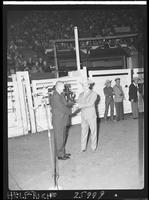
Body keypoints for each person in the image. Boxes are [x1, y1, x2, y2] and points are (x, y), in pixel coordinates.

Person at [50, 81, 72, 160]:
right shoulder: (55, 96)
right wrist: (71, 111)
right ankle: (60, 155)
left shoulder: (61, 94)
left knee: (63, 137)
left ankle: (62, 152)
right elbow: (62, 107)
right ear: (58, 87)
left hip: (62, 119)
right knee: (59, 137)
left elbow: (65, 105)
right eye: (63, 86)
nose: (64, 88)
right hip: (58, 120)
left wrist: (71, 104)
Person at [76, 79, 98, 152]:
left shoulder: (93, 94)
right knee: (83, 131)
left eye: (86, 84)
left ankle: (93, 147)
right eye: (83, 84)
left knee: (93, 131)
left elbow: (90, 104)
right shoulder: (81, 94)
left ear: (89, 85)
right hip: (83, 115)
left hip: (91, 115)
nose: (84, 86)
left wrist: (80, 105)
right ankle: (83, 147)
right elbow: (78, 103)